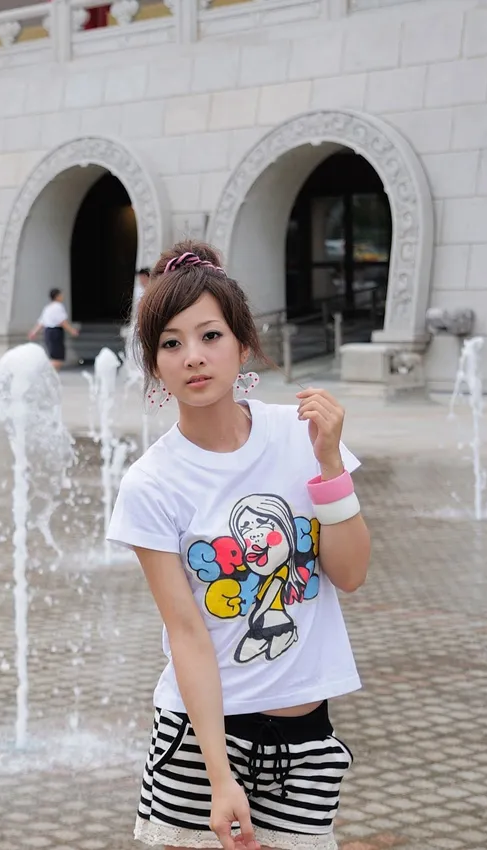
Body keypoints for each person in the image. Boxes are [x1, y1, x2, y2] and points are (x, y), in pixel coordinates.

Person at [106, 240, 371, 850]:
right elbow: (187, 634)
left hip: (306, 740)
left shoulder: (300, 435)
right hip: (201, 743)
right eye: (171, 343)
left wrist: (330, 463)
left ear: (243, 343)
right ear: (154, 364)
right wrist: (220, 777)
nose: (193, 357)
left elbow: (351, 573)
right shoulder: (152, 482)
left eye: (210, 335)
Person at [26, 288, 80, 370]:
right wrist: (72, 331)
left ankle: (51, 374)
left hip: (48, 332)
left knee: (54, 356)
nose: (62, 296)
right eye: (61, 295)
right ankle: (48, 373)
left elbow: (41, 322)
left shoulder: (47, 307)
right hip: (55, 332)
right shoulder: (58, 306)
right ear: (57, 296)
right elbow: (62, 321)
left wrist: (33, 332)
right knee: (58, 358)